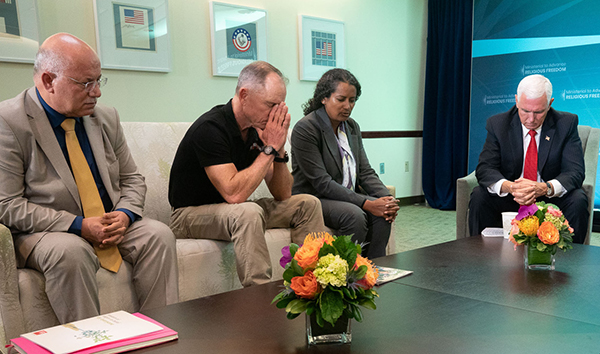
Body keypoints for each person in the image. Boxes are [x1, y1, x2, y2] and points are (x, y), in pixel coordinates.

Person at [0, 33, 178, 323]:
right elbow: (6, 204)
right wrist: (78, 225)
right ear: (48, 81)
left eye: (98, 80)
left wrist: (125, 214)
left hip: (107, 221)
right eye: (85, 83)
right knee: (70, 252)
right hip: (47, 232)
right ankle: (90, 343)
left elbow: (133, 179)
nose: (96, 92)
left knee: (157, 235)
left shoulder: (105, 118)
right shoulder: (9, 121)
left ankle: (160, 333)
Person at [168, 61, 325, 287]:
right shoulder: (211, 128)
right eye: (270, 105)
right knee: (247, 211)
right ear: (244, 95)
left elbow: (283, 193)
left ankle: (310, 286)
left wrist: (278, 149)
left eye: (280, 106)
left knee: (307, 204)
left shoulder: (256, 129)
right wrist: (268, 148)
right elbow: (234, 194)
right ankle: (260, 300)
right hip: (188, 216)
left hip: (232, 212)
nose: (276, 114)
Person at [290, 69, 399, 258]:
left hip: (343, 196)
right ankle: (346, 276)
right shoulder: (306, 128)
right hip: (314, 199)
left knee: (382, 214)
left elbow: (365, 172)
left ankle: (375, 271)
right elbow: (322, 182)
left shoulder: (351, 127)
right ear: (324, 98)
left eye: (352, 100)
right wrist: (365, 202)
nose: (347, 106)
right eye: (341, 99)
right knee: (354, 215)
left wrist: (388, 199)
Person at [469, 74, 588, 243]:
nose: (531, 119)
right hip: (512, 197)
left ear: (550, 104)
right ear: (517, 101)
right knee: (479, 196)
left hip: (549, 199)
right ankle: (477, 257)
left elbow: (574, 171)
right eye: (525, 111)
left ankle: (571, 263)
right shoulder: (498, 124)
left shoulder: (566, 123)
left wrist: (543, 188)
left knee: (578, 200)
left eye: (539, 112)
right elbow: (485, 168)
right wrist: (511, 187)